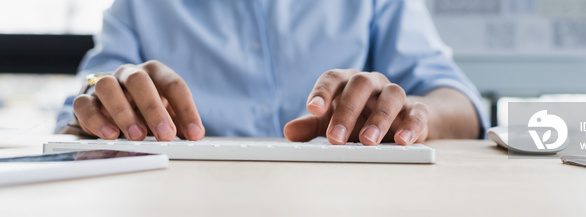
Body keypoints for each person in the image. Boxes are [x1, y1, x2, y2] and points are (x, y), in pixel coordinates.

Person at [56, 0, 490, 146]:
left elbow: (462, 105)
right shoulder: (140, 6)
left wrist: (412, 113)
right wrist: (103, 100)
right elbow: (83, 101)